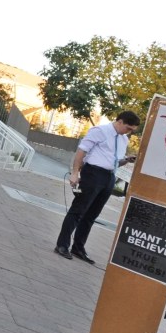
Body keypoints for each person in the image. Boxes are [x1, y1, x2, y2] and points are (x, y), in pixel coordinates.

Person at [54, 110, 141, 264]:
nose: (129, 132)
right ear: (120, 121)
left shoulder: (123, 139)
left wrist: (127, 160)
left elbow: (114, 161)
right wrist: (75, 173)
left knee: (92, 215)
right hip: (92, 173)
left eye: (132, 130)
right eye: (128, 128)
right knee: (78, 210)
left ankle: (78, 248)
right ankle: (62, 245)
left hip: (109, 177)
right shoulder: (100, 131)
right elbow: (81, 151)